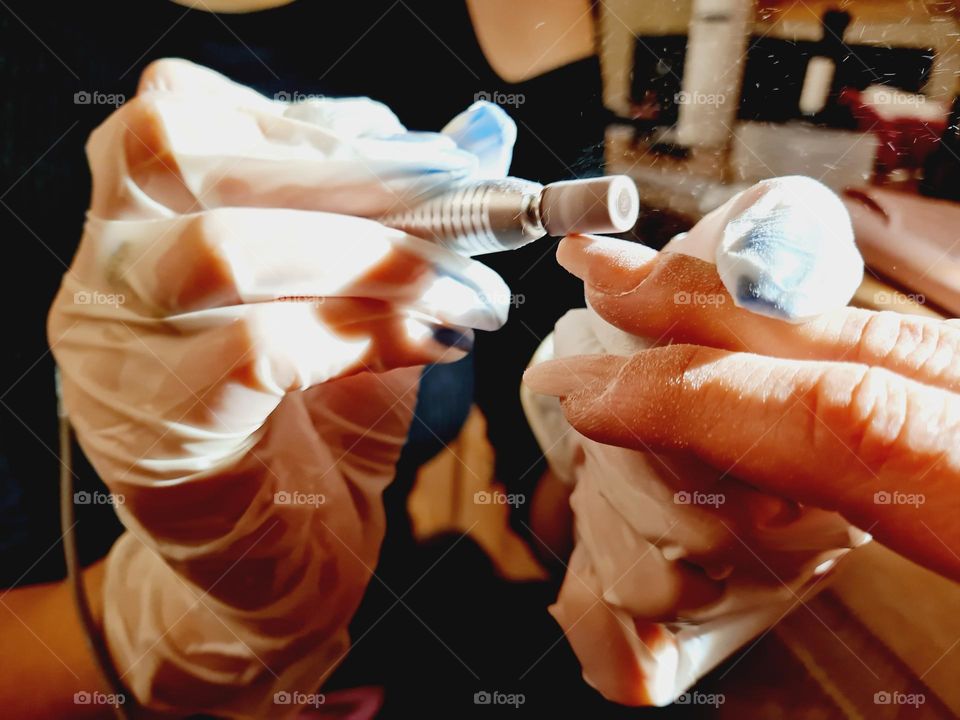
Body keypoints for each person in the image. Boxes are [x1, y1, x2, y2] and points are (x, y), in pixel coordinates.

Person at [2, 4, 959, 719]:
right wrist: (148, 638)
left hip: (427, 656)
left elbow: (532, 465)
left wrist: (636, 465)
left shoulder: (510, 31)